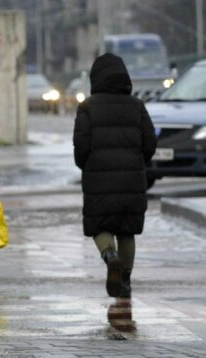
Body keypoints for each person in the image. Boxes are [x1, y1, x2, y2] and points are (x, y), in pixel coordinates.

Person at [73, 53, 157, 299]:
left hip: (98, 176)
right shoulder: (137, 105)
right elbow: (150, 142)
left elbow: (81, 143)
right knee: (127, 230)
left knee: (99, 225)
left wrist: (85, 165)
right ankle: (126, 280)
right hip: (132, 178)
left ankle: (110, 257)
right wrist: (140, 163)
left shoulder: (87, 106)